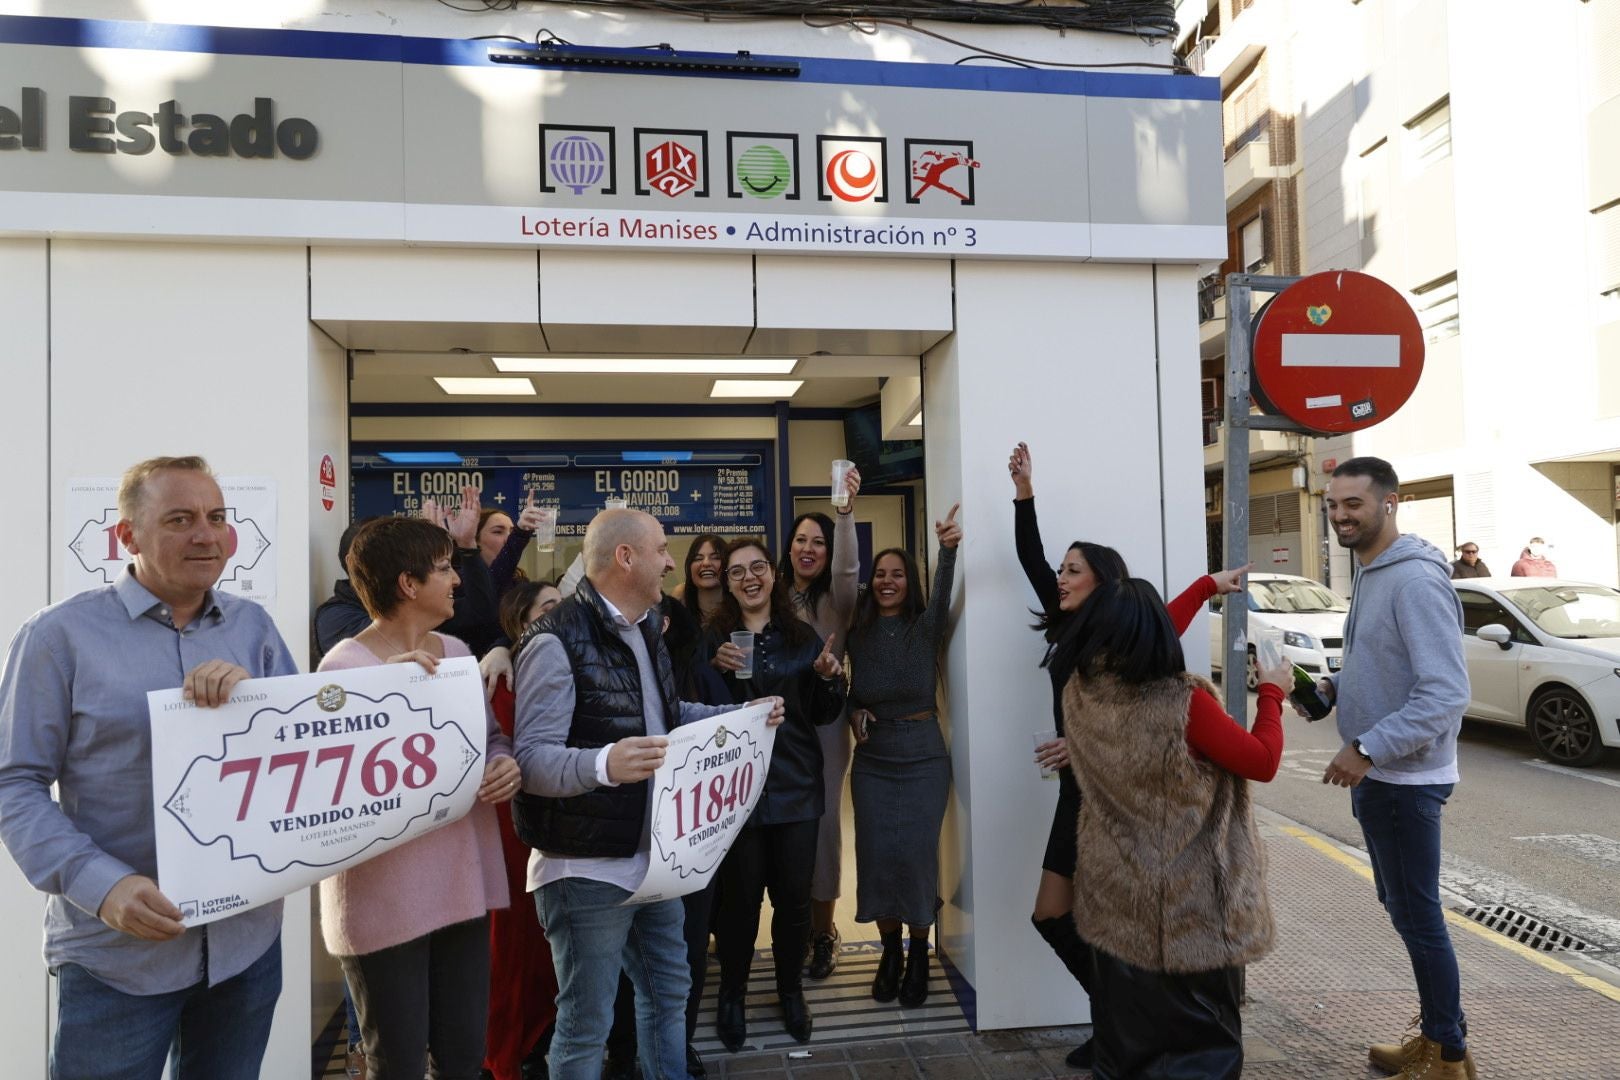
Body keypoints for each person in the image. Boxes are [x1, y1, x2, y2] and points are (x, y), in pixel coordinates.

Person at [0, 455, 297, 1080]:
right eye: (181, 519)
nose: (206, 535)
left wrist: (258, 706)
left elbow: (300, 755)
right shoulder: (58, 636)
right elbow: (14, 783)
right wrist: (100, 885)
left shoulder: (253, 628)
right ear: (127, 536)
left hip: (245, 949)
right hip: (118, 958)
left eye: (216, 517)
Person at [510, 509, 783, 1080]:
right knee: (587, 1022)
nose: (670, 561)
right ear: (625, 557)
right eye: (660, 549)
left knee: (669, 995)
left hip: (653, 861)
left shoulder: (646, 628)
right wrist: (605, 763)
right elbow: (531, 761)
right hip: (582, 870)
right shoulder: (552, 642)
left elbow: (669, 717)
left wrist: (740, 715)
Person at [1006, 440, 1248, 1069]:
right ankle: (1115, 1020)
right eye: (1060, 571)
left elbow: (1166, 623)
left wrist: (1205, 586)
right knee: (1051, 913)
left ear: (1104, 580)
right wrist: (1024, 493)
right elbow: (1028, 556)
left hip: (1113, 794)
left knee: (1119, 927)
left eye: (1073, 570)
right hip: (1072, 794)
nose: (1059, 579)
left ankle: (1120, 1031)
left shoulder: (1121, 638)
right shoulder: (1066, 629)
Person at [318, 516, 521, 1080]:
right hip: (381, 899)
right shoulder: (343, 667)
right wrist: (385, 694)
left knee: (462, 1056)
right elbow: (330, 781)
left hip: (461, 884)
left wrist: (503, 762)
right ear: (409, 585)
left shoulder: (457, 650)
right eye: (443, 570)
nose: (456, 580)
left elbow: (491, 740)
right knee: (397, 1063)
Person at [1058, 578, 1285, 1080]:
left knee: (1125, 1045)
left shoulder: (1080, 692)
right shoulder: (1184, 705)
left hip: (1115, 895)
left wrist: (1205, 589)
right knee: (1199, 1048)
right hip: (1189, 910)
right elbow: (1262, 760)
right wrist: (1272, 693)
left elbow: (1141, 639)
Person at [1310, 457, 1475, 1080]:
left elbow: (1444, 692)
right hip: (1385, 778)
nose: (1340, 516)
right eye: (1332, 505)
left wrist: (1368, 747)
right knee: (1406, 907)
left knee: (1419, 916)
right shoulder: (1374, 571)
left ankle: (1447, 1055)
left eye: (1353, 504)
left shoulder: (1414, 581)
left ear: (1390, 502)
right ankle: (1441, 1039)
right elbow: (1384, 664)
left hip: (1405, 780)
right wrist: (1331, 688)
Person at [709, 537, 847, 1049]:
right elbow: (688, 708)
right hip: (735, 793)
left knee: (792, 903)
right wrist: (711, 669)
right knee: (738, 904)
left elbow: (824, 712)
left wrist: (832, 679)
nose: (749, 577)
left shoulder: (803, 638)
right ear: (726, 583)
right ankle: (733, 995)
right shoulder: (712, 640)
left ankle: (790, 991)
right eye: (737, 571)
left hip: (794, 787)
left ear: (773, 575)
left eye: (758, 567)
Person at [845, 506, 960, 1007]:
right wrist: (852, 709)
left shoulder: (925, 624)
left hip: (923, 756)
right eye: (880, 575)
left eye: (896, 575)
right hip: (873, 759)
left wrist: (948, 547)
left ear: (908, 582)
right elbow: (851, 689)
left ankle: (918, 954)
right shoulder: (858, 630)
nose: (887, 582)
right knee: (876, 858)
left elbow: (944, 586)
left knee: (915, 859)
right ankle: (889, 951)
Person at [777, 466, 861, 978]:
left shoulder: (839, 602)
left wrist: (844, 514)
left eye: (818, 542)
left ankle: (824, 932)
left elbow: (850, 573)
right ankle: (792, 931)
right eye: (800, 540)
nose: (808, 548)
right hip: (779, 729)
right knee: (786, 834)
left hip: (827, 731)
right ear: (788, 548)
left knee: (825, 831)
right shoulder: (771, 596)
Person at [485, 580, 564, 1080]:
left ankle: (543, 1037)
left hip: (566, 828)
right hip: (512, 832)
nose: (563, 615)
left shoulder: (574, 667)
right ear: (522, 621)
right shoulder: (499, 677)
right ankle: (507, 1052)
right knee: (512, 941)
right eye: (550, 607)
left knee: (553, 942)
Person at [315, 487, 502, 659]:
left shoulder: (453, 648)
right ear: (354, 561)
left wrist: (466, 545)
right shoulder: (336, 619)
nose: (456, 580)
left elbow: (480, 611)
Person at [677, 533, 729, 627]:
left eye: (715, 557)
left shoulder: (742, 616)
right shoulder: (676, 616)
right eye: (698, 558)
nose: (706, 563)